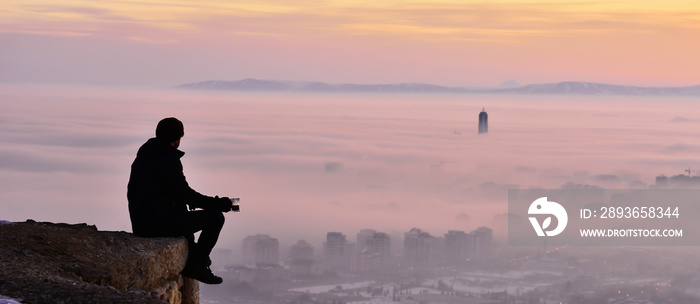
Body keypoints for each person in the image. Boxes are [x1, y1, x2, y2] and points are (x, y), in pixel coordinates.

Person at [127, 117, 235, 285]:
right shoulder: (167, 159)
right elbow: (187, 195)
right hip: (157, 225)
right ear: (177, 139)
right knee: (216, 218)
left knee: (186, 225)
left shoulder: (147, 154)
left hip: (143, 223)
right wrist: (221, 204)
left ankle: (199, 261)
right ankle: (197, 265)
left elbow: (172, 192)